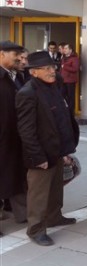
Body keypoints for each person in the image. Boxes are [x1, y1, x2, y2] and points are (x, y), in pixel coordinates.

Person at [15, 51, 79, 246]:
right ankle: (35, 229)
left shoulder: (53, 87)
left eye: (53, 67)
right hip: (40, 154)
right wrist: (37, 157)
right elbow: (26, 131)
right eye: (48, 68)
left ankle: (54, 217)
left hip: (57, 149)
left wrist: (66, 150)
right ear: (34, 72)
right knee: (39, 194)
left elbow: (61, 121)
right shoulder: (27, 94)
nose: (53, 71)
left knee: (55, 189)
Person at [0, 41, 28, 233]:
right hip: (2, 136)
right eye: (14, 54)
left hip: (15, 137)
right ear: (2, 54)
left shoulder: (17, 76)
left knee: (15, 176)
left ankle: (21, 214)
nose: (18, 58)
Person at [60, 43, 80, 113]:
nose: (64, 50)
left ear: (70, 50)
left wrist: (64, 66)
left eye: (66, 48)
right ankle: (64, 111)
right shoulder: (63, 57)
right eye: (64, 48)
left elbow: (75, 69)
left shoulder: (75, 58)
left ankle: (71, 113)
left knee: (71, 97)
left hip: (70, 81)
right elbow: (61, 68)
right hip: (63, 80)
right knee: (61, 96)